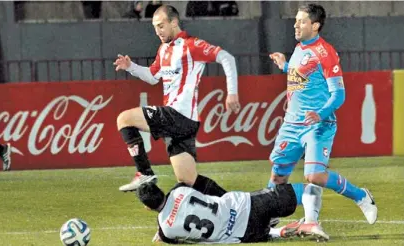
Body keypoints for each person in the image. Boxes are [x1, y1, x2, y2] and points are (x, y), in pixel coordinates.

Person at [268, 3, 377, 237]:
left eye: (302, 21)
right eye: (296, 20)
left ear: (315, 26)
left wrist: (320, 114)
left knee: (315, 175)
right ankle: (274, 217)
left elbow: (339, 94)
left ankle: (361, 196)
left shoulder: (325, 53)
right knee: (277, 176)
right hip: (291, 124)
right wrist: (284, 65)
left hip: (318, 124)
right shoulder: (299, 48)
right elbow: (302, 76)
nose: (296, 25)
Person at [113, 5, 240, 193]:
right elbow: (152, 76)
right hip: (184, 121)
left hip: (178, 113)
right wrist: (130, 66)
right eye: (155, 27)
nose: (157, 32)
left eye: (161, 26)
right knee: (188, 180)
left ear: (174, 22)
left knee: (124, 119)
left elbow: (227, 58)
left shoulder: (191, 45)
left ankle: (144, 172)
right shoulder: (164, 49)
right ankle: (240, 207)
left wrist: (232, 92)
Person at [136, 182, 317, 244]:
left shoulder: (166, 229)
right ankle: (311, 221)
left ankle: (276, 232)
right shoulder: (180, 191)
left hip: (244, 235)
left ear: (147, 207)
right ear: (160, 190)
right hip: (247, 206)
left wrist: (161, 229)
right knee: (309, 189)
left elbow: (175, 240)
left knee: (256, 233)